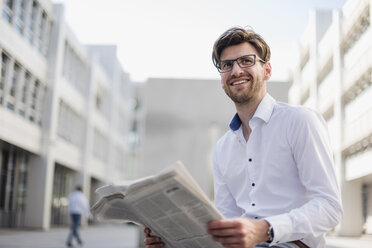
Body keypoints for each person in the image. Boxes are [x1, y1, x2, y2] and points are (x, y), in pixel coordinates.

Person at [144, 26, 343, 248]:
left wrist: (265, 229)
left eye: (246, 61)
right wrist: (172, 240)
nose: (236, 70)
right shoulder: (222, 148)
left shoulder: (300, 121)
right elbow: (226, 222)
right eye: (227, 65)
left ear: (267, 70)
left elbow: (329, 208)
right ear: (222, 79)